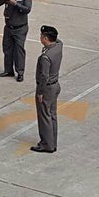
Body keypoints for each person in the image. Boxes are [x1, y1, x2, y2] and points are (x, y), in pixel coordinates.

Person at [32, 25, 62, 153]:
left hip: (47, 88)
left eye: (41, 36)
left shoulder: (45, 57)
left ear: (45, 38)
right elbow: (59, 40)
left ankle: (47, 144)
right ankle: (52, 142)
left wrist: (40, 92)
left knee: (44, 116)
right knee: (52, 115)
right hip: (55, 86)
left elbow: (44, 76)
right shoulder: (58, 46)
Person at [0, 0, 33, 82]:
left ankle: (20, 73)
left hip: (20, 29)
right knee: (7, 49)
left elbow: (27, 9)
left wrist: (15, 4)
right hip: (8, 28)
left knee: (19, 51)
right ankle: (8, 70)